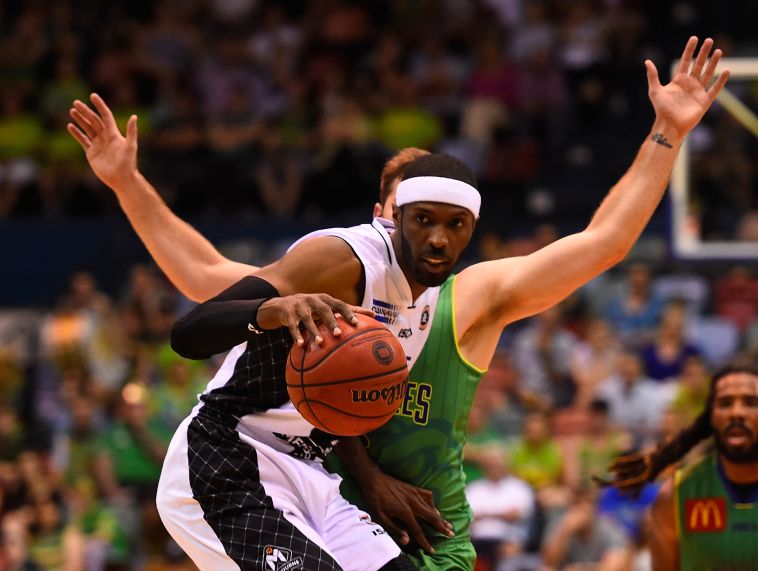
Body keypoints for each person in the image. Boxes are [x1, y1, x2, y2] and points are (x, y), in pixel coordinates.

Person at [67, 37, 729, 570]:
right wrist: (127, 184)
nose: (432, 232)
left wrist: (666, 133)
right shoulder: (336, 265)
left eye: (452, 218)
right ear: (388, 211)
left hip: (361, 500)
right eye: (411, 208)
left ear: (468, 224)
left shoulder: (464, 296)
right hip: (242, 468)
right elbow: (205, 282)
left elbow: (604, 242)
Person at [606, 363, 758, 570]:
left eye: (751, 402)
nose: (736, 413)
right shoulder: (676, 494)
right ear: (710, 418)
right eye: (725, 403)